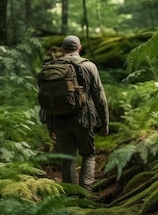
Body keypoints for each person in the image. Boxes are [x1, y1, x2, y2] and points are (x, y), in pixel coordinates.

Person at [44, 35, 109, 191]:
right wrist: (104, 121)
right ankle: (85, 192)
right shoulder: (89, 66)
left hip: (59, 120)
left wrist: (50, 126)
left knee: (68, 158)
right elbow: (99, 96)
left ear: (62, 48)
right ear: (79, 47)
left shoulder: (51, 67)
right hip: (83, 119)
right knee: (88, 154)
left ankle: (71, 195)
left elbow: (47, 99)